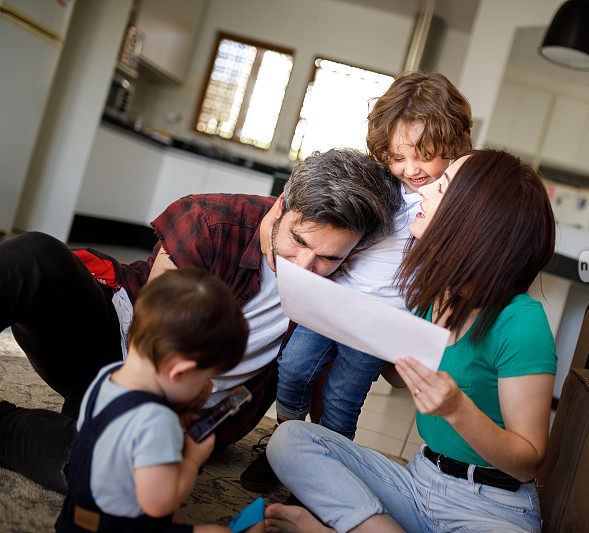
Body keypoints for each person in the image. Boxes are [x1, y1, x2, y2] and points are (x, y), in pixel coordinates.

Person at [0, 148, 401, 493]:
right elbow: (152, 338)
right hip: (119, 351)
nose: (306, 267)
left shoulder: (350, 282)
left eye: (329, 259)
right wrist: (137, 413)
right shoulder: (211, 220)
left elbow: (356, 377)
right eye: (299, 242)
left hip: (194, 417)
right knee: (37, 255)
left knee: (115, 470)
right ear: (281, 206)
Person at [262, 149, 558, 532]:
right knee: (289, 440)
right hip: (419, 482)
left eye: (443, 186)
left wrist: (456, 409)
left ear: (471, 220)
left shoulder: (521, 322)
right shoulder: (432, 297)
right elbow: (400, 377)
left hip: (490, 507)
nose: (425, 190)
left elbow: (529, 460)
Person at [270, 72, 472, 443]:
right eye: (398, 157)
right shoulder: (377, 182)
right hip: (334, 300)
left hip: (383, 320)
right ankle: (286, 439)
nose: (412, 169)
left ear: (454, 144)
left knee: (343, 398)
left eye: (425, 156)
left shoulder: (450, 202)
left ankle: (331, 461)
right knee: (293, 367)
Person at [57, 268, 250, 532]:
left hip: (74, 521)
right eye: (208, 376)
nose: (209, 385)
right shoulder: (157, 421)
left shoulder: (107, 376)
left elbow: (124, 442)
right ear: (179, 371)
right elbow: (159, 503)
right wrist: (192, 459)